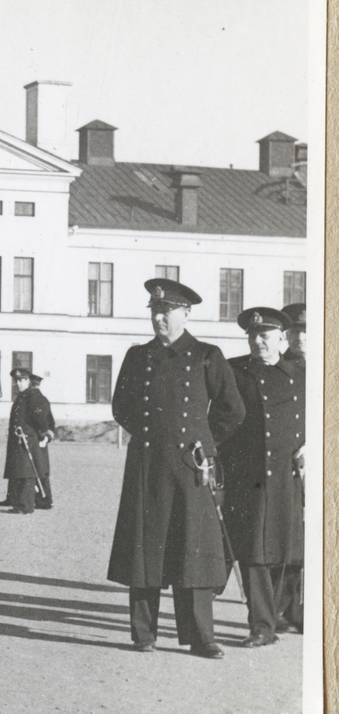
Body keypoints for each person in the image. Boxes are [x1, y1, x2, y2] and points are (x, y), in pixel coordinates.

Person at [107, 278, 245, 658]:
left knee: (193, 551)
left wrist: (203, 441)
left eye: (166, 311)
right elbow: (121, 406)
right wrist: (151, 434)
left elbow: (233, 410)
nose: (159, 318)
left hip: (190, 467)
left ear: (185, 314)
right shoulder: (137, 356)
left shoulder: (207, 355)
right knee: (144, 550)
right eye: (154, 311)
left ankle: (200, 637)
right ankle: (143, 634)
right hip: (147, 465)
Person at [218, 308, 304, 647]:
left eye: (265, 336)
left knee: (283, 550)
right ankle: (261, 627)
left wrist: (312, 444)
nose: (257, 342)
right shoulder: (234, 371)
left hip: (287, 475)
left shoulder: (301, 374)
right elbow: (220, 419)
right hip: (247, 475)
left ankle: (275, 616)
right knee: (253, 550)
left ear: (282, 338)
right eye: (252, 336)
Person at [276, 301, 306, 633]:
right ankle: (284, 608)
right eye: (295, 331)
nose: (301, 337)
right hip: (288, 464)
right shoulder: (278, 368)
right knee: (290, 536)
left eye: (307, 331)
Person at [0, 368, 49, 515]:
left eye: (22, 380)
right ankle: (18, 502)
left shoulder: (32, 396)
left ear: (28, 381)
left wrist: (42, 435)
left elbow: (40, 417)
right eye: (17, 381)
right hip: (19, 439)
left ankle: (25, 506)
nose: (18, 383)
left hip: (27, 439)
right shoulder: (22, 397)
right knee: (19, 470)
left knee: (27, 472)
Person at [28, 373, 57, 509]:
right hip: (42, 439)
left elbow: (41, 420)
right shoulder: (44, 399)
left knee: (38, 470)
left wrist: (42, 436)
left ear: (30, 383)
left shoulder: (33, 399)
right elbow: (51, 421)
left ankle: (45, 500)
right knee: (42, 470)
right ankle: (45, 500)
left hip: (36, 440)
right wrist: (47, 437)